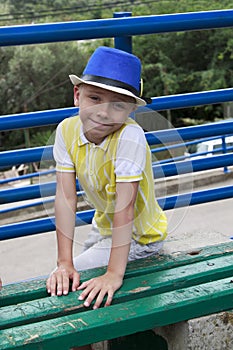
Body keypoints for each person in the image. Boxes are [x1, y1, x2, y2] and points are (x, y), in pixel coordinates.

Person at [46, 46, 167, 350]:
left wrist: (114, 274)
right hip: (104, 229)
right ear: (77, 95)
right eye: (94, 98)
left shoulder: (130, 136)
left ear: (131, 110)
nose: (103, 112)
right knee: (63, 276)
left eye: (118, 105)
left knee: (66, 297)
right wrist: (64, 261)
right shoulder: (66, 130)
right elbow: (65, 197)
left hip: (141, 237)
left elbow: (125, 209)